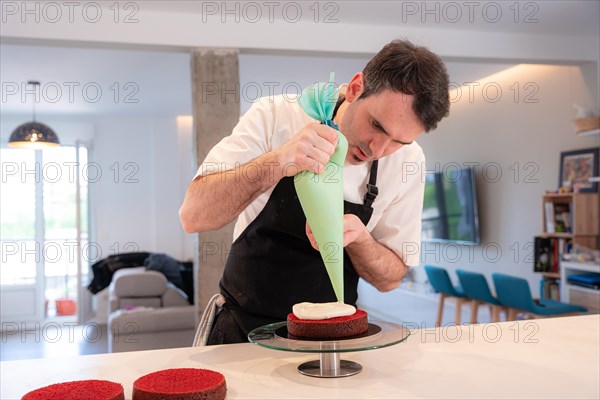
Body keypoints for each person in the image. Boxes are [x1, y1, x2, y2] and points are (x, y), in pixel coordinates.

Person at [179, 39, 450, 344]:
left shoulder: (409, 162)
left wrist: (359, 239)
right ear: (356, 87)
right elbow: (193, 216)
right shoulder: (275, 116)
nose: (377, 149)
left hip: (335, 342)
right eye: (376, 125)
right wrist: (278, 160)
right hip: (242, 332)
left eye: (398, 142)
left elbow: (391, 279)